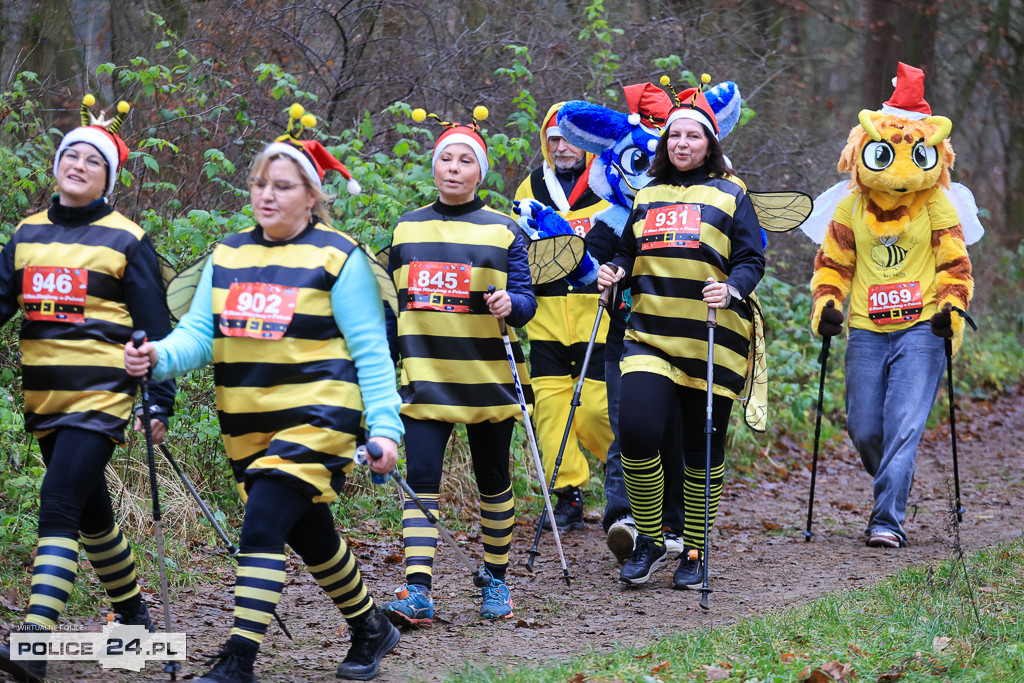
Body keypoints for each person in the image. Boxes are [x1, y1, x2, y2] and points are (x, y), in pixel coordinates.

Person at [124, 104, 403, 682]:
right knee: (308, 534)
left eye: (282, 185)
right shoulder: (228, 255)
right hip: (247, 423)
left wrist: (384, 429)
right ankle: (372, 626)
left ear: (311, 195)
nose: (266, 195)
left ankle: (238, 661)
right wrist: (156, 357)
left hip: (321, 415)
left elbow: (373, 354)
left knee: (260, 525)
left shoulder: (339, 257)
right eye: (258, 183)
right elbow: (198, 336)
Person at [0, 95, 174, 683]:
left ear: (108, 177)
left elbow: (156, 327)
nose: (77, 164)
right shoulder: (25, 235)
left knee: (59, 504)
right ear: (55, 166)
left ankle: (36, 641)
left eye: (91, 160)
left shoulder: (128, 239)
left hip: (102, 394)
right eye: (69, 155)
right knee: (93, 515)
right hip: (45, 397)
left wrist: (159, 400)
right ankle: (135, 621)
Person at [597, 80, 765, 587]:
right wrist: (614, 271)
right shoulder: (647, 195)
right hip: (649, 334)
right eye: (675, 137)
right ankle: (649, 538)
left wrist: (732, 289)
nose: (682, 144)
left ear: (709, 144)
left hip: (713, 337)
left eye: (693, 136)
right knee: (639, 433)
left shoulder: (732, 192)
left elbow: (752, 258)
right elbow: (628, 251)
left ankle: (693, 549)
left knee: (701, 448)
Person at [381, 107, 536, 628]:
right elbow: (390, 304)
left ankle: (496, 579)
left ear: (481, 172)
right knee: (422, 478)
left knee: (493, 479)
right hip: (424, 376)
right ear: (433, 167)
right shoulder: (406, 228)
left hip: (487, 378)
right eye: (445, 158)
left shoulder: (504, 230)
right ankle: (418, 589)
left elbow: (527, 300)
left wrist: (510, 307)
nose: (453, 167)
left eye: (465, 160)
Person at [809, 63, 974, 548]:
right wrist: (828, 305)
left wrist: (950, 311)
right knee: (864, 427)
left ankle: (887, 519)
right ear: (863, 152)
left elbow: (956, 268)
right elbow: (831, 266)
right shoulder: (849, 207)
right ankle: (895, 479)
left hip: (922, 327)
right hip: (865, 328)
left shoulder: (938, 206)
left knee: (904, 423)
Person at [512, 102, 613, 532]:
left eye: (570, 138)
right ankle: (567, 492)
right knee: (550, 409)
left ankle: (628, 470)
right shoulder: (529, 187)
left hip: (599, 313)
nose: (562, 147)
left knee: (594, 408)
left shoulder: (609, 182)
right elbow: (519, 247)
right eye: (554, 139)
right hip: (548, 314)